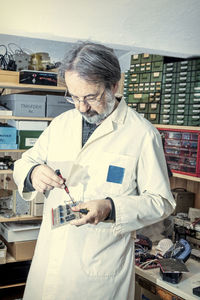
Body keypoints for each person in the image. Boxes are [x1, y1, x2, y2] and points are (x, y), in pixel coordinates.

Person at [13, 42, 176, 300]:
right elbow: (24, 162)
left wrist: (111, 207)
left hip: (98, 274)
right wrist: (33, 172)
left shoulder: (141, 134)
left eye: (89, 97)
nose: (81, 107)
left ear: (114, 86)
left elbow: (161, 202)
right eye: (73, 97)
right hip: (50, 266)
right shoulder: (61, 124)